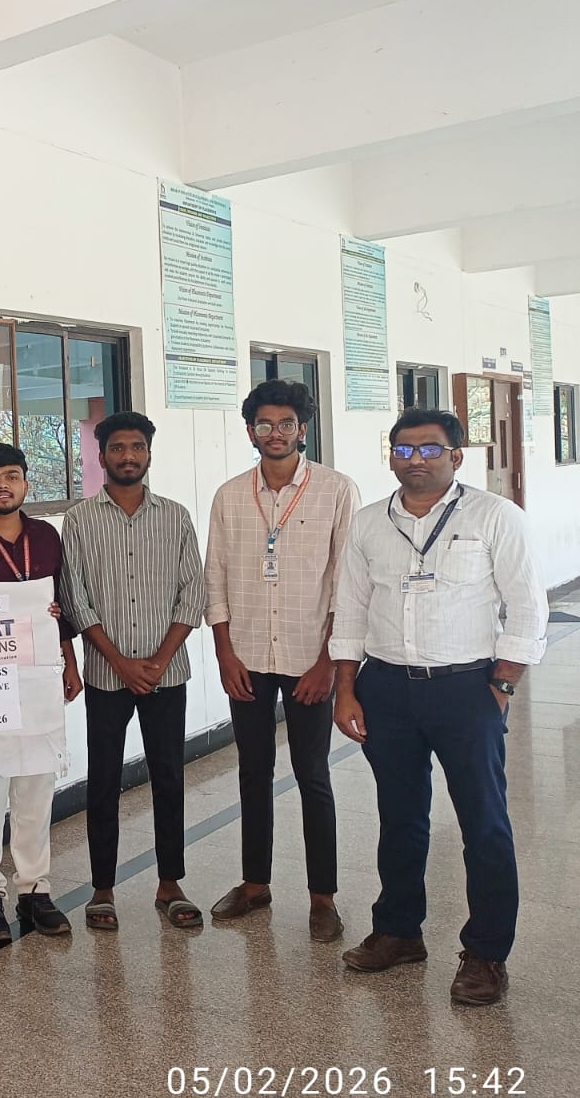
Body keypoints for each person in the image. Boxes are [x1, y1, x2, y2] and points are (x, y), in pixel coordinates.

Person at [331, 410, 547, 1006]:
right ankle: (399, 931)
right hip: (386, 688)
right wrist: (346, 688)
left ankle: (486, 953)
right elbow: (350, 608)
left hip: (467, 688)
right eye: (403, 449)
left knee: (484, 822)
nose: (415, 459)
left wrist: (501, 687)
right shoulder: (369, 523)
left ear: (456, 456)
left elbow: (528, 608)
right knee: (400, 817)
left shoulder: (495, 516)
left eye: (429, 449)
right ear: (391, 457)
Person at [204, 381, 358, 942]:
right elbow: (215, 578)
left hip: (307, 656)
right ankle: (255, 884)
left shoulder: (335, 490)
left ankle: (323, 898)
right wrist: (224, 653)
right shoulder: (229, 495)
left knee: (313, 774)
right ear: (251, 431)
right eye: (264, 424)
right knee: (252, 772)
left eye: (286, 423)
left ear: (302, 429)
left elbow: (346, 583)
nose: (275, 433)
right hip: (246, 655)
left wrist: (328, 664)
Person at [60, 412, 205, 932]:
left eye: (137, 447)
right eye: (118, 448)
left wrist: (159, 660)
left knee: (169, 776)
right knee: (103, 781)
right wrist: (119, 661)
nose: (128, 456)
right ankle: (102, 889)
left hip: (167, 672)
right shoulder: (79, 520)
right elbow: (75, 597)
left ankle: (170, 884)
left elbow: (193, 592)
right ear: (101, 456)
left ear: (148, 453)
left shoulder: (176, 516)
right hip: (107, 675)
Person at [0, 443, 83, 940]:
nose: (1, 485)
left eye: (11, 475)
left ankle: (34, 890)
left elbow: (61, 604)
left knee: (35, 784)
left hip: (40, 674)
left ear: (26, 483)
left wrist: (70, 661)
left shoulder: (47, 536)